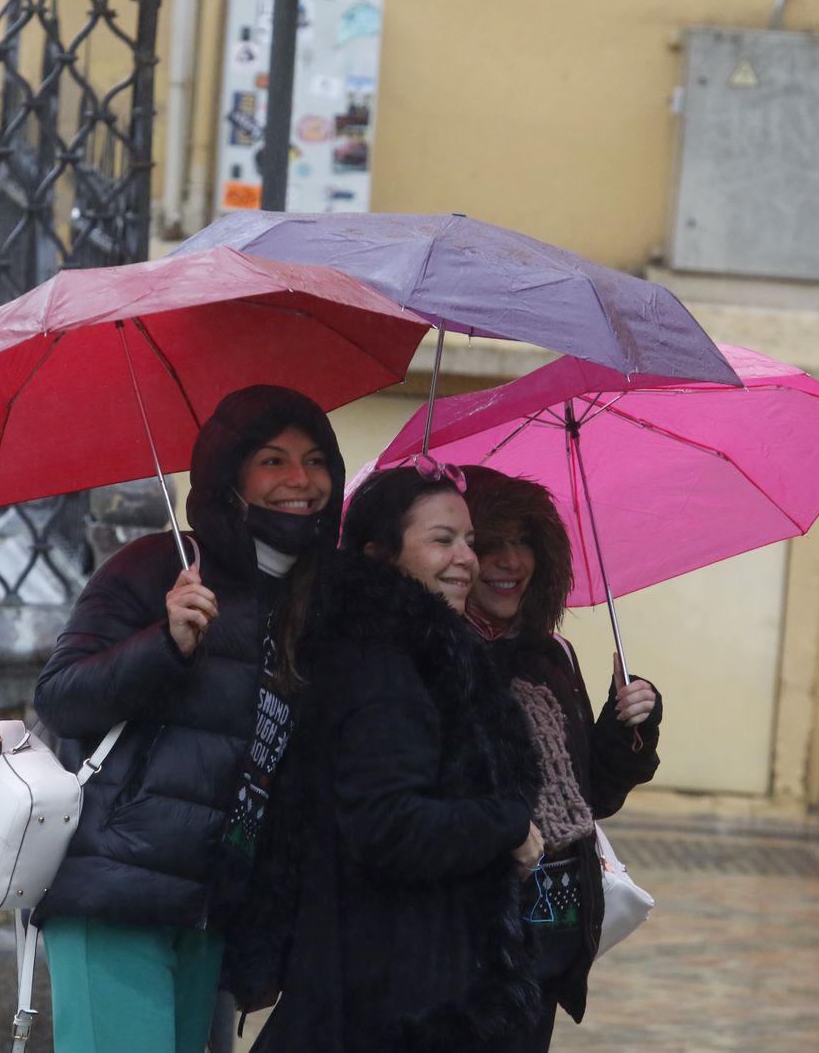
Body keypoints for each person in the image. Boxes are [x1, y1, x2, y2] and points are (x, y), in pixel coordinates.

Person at [32, 384, 347, 1053]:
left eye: (316, 460)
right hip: (118, 892)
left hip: (212, 905)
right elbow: (61, 697)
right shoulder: (156, 569)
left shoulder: (314, 600)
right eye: (272, 460)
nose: (300, 480)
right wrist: (165, 645)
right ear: (228, 475)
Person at [225, 465, 545, 1053]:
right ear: (381, 555)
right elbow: (389, 825)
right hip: (394, 998)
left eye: (469, 541)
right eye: (442, 540)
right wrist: (505, 824)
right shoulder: (386, 669)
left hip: (391, 983)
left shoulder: (415, 654)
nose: (467, 559)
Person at [460, 465, 662, 1053]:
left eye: (523, 542)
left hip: (552, 930)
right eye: (490, 544)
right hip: (471, 935)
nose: (509, 562)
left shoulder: (553, 654)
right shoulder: (436, 651)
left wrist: (631, 725)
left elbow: (592, 795)